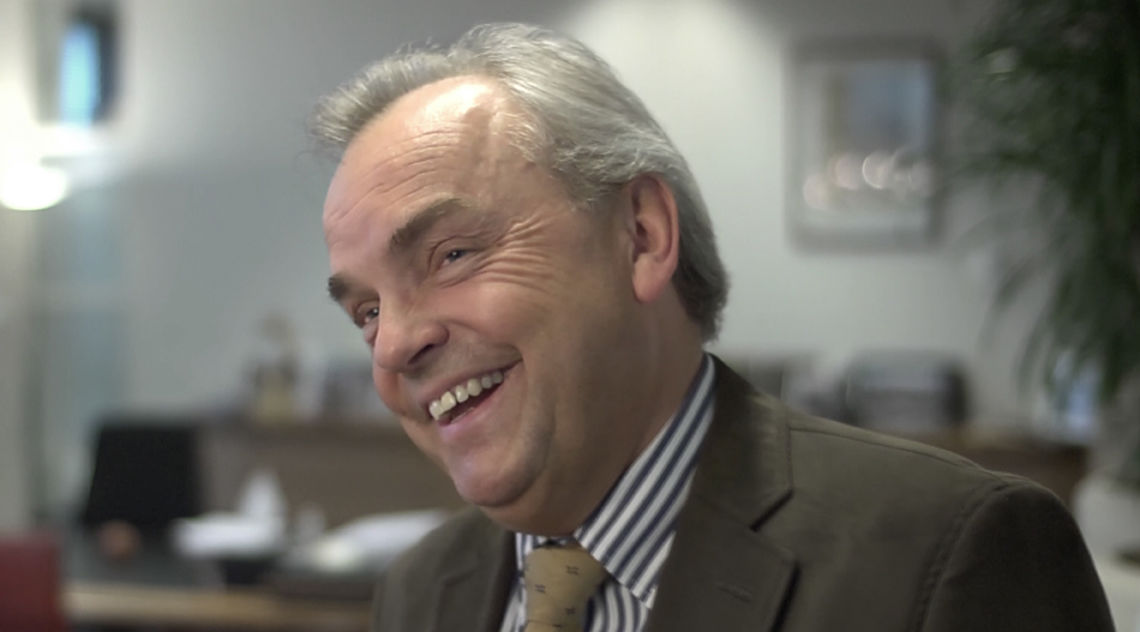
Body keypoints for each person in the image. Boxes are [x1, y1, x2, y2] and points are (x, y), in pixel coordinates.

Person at [311, 22, 1112, 632]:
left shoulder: (953, 553)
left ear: (642, 236)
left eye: (451, 255)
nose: (396, 345)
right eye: (367, 312)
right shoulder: (421, 592)